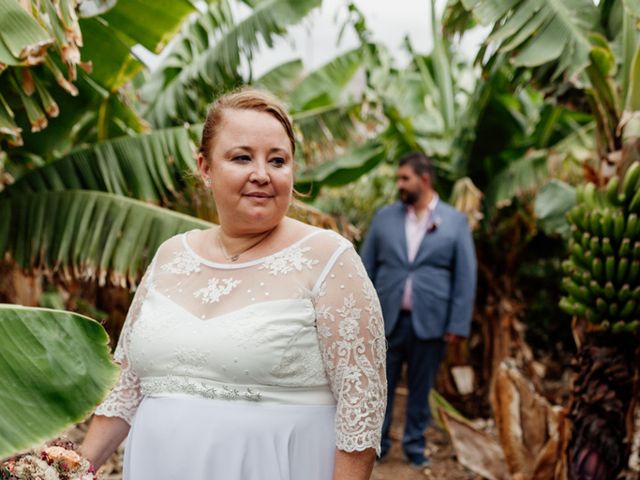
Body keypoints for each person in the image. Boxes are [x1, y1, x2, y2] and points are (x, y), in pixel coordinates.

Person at [80, 88, 387, 480]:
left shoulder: (329, 258)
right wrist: (71, 468)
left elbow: (360, 408)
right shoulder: (171, 255)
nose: (262, 174)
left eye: (277, 160)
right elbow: (126, 386)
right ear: (205, 168)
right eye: (242, 157)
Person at [360, 151, 476, 468]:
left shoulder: (455, 221)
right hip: (386, 319)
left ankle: (414, 447)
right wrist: (360, 314)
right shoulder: (385, 218)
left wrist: (458, 323)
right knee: (379, 387)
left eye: (404, 178)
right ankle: (376, 446)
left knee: (421, 390)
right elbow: (363, 267)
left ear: (424, 180)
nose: (399, 184)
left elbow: (465, 275)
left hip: (432, 322)